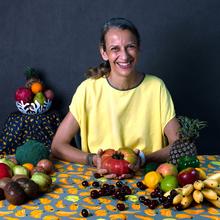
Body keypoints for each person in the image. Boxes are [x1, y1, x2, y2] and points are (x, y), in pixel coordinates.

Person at [51, 17, 180, 179]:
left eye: (130, 47)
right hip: (98, 178)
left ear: (139, 48)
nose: (124, 56)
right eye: (115, 49)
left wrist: (144, 159)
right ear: (104, 53)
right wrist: (92, 159)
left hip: (148, 179)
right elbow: (57, 146)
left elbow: (179, 144)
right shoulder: (88, 89)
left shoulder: (156, 87)